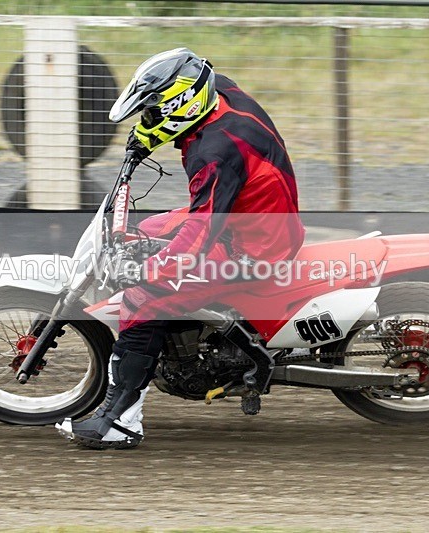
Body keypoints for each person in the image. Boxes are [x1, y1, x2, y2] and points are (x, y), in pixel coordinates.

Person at [56, 47, 304, 449]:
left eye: (154, 112)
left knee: (142, 300)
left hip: (255, 248)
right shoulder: (218, 91)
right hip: (254, 217)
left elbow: (202, 232)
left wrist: (153, 275)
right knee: (146, 230)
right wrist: (147, 137)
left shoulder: (215, 153)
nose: (149, 119)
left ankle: (121, 424)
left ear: (182, 106)